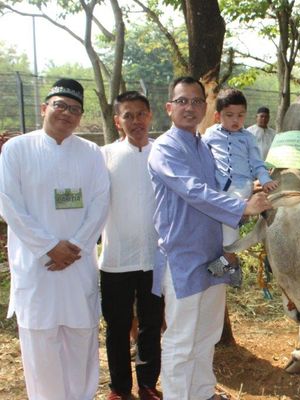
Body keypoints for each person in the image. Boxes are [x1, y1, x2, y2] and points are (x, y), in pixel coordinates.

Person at [147, 76, 271, 400]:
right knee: (181, 337)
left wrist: (253, 188)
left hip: (216, 254)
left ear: (205, 108)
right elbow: (193, 190)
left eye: (196, 101)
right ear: (169, 107)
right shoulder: (165, 148)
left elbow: (224, 185)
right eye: (182, 101)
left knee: (208, 331)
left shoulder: (204, 146)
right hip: (183, 257)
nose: (189, 107)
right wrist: (242, 206)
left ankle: (202, 393)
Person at [0, 78, 109, 400]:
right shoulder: (17, 149)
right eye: (60, 105)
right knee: (41, 345)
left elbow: (101, 202)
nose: (67, 113)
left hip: (77, 265)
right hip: (38, 266)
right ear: (44, 108)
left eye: (75, 109)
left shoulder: (90, 152)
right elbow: (9, 203)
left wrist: (74, 246)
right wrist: (48, 246)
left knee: (81, 341)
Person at [99, 91, 164, 400]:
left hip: (155, 259)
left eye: (141, 114)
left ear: (150, 116)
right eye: (128, 115)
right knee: (117, 327)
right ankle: (119, 388)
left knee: (152, 326)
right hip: (116, 259)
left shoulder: (163, 154)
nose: (136, 121)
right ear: (118, 121)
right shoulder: (104, 156)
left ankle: (148, 385)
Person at [203, 89, 278, 276]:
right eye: (229, 115)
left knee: (229, 236)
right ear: (217, 116)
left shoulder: (248, 138)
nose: (235, 120)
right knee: (214, 229)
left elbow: (257, 163)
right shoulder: (210, 134)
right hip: (217, 189)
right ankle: (232, 265)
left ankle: (222, 270)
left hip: (240, 189)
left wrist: (266, 180)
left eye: (240, 115)